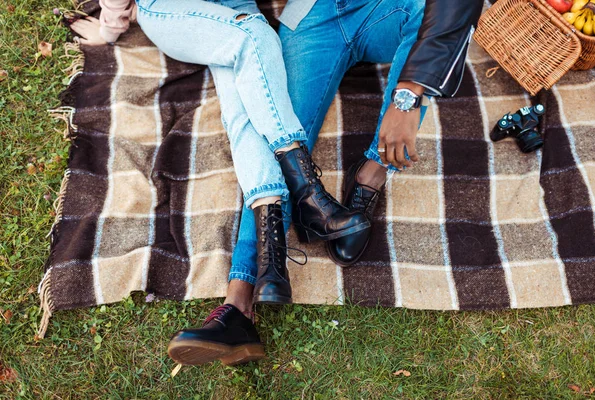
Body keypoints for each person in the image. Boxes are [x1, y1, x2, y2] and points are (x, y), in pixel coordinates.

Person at [70, 0, 370, 366]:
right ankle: (309, 197)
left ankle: (254, 292)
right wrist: (110, 27)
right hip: (170, 8)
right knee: (254, 39)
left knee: (245, 115)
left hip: (234, 8)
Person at [231, 0, 485, 278]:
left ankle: (371, 172)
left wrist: (407, 97)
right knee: (280, 136)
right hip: (311, 13)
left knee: (437, 17)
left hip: (390, 8)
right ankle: (245, 279)